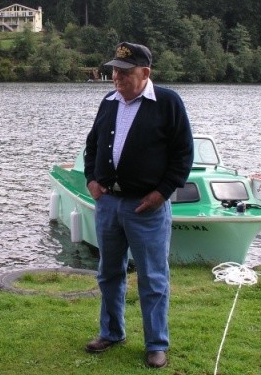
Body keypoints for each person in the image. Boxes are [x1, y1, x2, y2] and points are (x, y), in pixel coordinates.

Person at [83, 42, 194, 369]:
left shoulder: (168, 103)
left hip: (147, 208)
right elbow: (92, 145)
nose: (116, 76)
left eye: (124, 71)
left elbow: (182, 155)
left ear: (145, 73)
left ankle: (156, 343)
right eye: (114, 70)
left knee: (153, 277)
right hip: (109, 205)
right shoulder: (108, 101)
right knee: (109, 273)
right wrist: (92, 179)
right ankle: (111, 332)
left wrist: (161, 193)